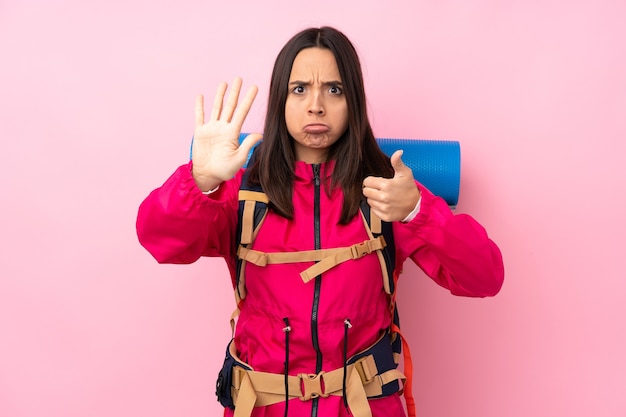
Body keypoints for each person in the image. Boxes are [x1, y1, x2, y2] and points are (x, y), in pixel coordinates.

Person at [136, 26, 504, 417]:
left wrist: (418, 212)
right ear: (280, 100)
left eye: (334, 89)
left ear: (354, 101)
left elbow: (485, 277)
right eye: (299, 89)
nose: (316, 106)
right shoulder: (241, 193)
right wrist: (200, 181)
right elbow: (159, 241)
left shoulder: (389, 192)